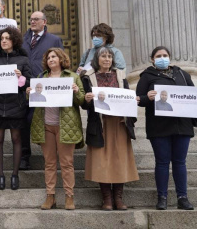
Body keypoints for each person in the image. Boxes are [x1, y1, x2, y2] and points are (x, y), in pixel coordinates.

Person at [136, 46, 195, 210]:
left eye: (165, 55)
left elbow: (192, 95)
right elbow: (139, 99)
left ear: (169, 57)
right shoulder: (147, 76)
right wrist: (147, 97)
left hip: (182, 126)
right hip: (159, 127)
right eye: (158, 56)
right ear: (152, 59)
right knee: (162, 162)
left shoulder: (182, 74)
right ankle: (162, 197)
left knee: (180, 162)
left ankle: (182, 197)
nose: (162, 58)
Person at [81, 47, 139, 211]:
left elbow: (127, 96)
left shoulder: (120, 76)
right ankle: (107, 198)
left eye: (109, 56)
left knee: (119, 159)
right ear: (97, 59)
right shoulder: (88, 77)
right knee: (101, 160)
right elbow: (84, 104)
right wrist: (86, 99)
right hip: (100, 123)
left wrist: (132, 99)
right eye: (103, 56)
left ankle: (118, 198)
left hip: (119, 123)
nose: (107, 59)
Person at [28, 48, 84, 210]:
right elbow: (34, 100)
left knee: (67, 163)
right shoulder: (41, 78)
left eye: (54, 56)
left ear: (61, 59)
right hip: (46, 125)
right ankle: (50, 196)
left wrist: (75, 91)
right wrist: (29, 93)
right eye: (48, 57)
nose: (51, 59)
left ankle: (69, 197)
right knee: (49, 163)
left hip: (66, 126)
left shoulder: (72, 77)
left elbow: (81, 100)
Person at [0, 26, 32, 191]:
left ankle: (14, 174)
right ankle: (1, 175)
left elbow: (29, 83)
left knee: (17, 139)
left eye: (7, 38)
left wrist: (21, 78)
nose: (3, 41)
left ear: (14, 41)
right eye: (1, 38)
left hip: (16, 104)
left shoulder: (23, 60)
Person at [20, 10, 63, 170]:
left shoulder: (54, 40)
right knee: (24, 121)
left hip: (46, 88)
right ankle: (24, 156)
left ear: (44, 22)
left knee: (43, 120)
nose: (32, 22)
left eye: (36, 19)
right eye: (31, 19)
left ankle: (51, 156)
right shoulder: (23, 40)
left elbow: (61, 61)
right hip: (25, 87)